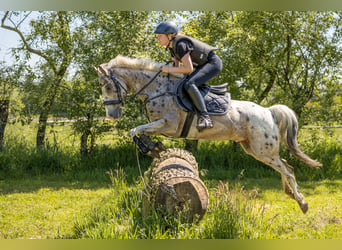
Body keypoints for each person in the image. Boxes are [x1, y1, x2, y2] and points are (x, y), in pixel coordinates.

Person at [154, 21, 222, 130]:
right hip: (202, 65)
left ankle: (205, 118)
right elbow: (176, 69)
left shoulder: (180, 45)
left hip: (213, 64)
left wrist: (167, 69)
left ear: (170, 36)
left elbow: (188, 69)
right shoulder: (172, 47)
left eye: (160, 36)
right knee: (181, 83)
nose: (158, 38)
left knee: (190, 84)